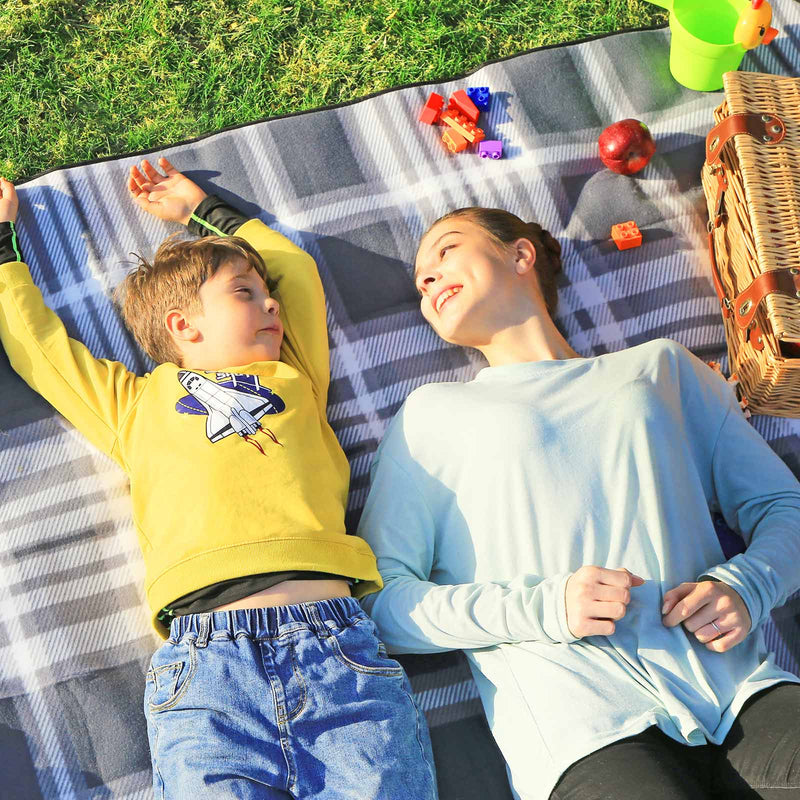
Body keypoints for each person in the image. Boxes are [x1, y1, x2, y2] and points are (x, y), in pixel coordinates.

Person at [0, 163, 438, 800]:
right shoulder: (133, 406)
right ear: (183, 325)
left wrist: (202, 210)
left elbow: (294, 269)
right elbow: (39, 350)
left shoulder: (294, 375)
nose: (270, 306)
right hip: (205, 676)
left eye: (267, 299)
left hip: (335, 651)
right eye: (244, 294)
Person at [356, 206, 800, 800]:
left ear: (520, 255)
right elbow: (381, 605)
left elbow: (784, 507)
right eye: (421, 282)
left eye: (446, 251)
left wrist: (749, 585)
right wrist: (544, 608)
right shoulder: (429, 417)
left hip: (741, 688)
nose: (429, 279)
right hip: (581, 729)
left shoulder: (660, 368)